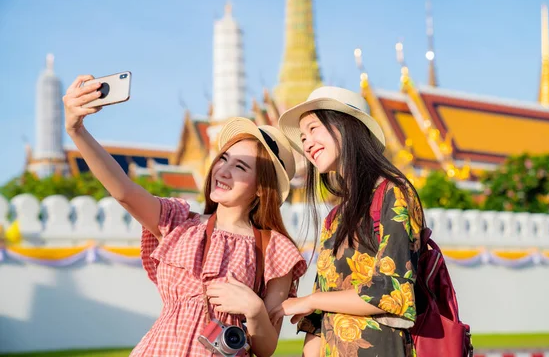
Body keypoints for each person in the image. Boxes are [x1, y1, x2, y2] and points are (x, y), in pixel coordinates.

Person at [63, 75, 307, 357]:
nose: (223, 171)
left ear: (261, 189)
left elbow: (265, 348)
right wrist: (77, 130)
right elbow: (125, 192)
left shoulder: (275, 250)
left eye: (240, 166)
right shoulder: (179, 223)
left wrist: (253, 309)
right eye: (223, 159)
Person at [270, 86, 425, 357]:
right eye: (303, 137)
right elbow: (317, 317)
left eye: (314, 129)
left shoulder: (392, 193)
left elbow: (393, 292)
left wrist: (311, 300)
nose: (306, 143)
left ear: (345, 126)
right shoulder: (334, 218)